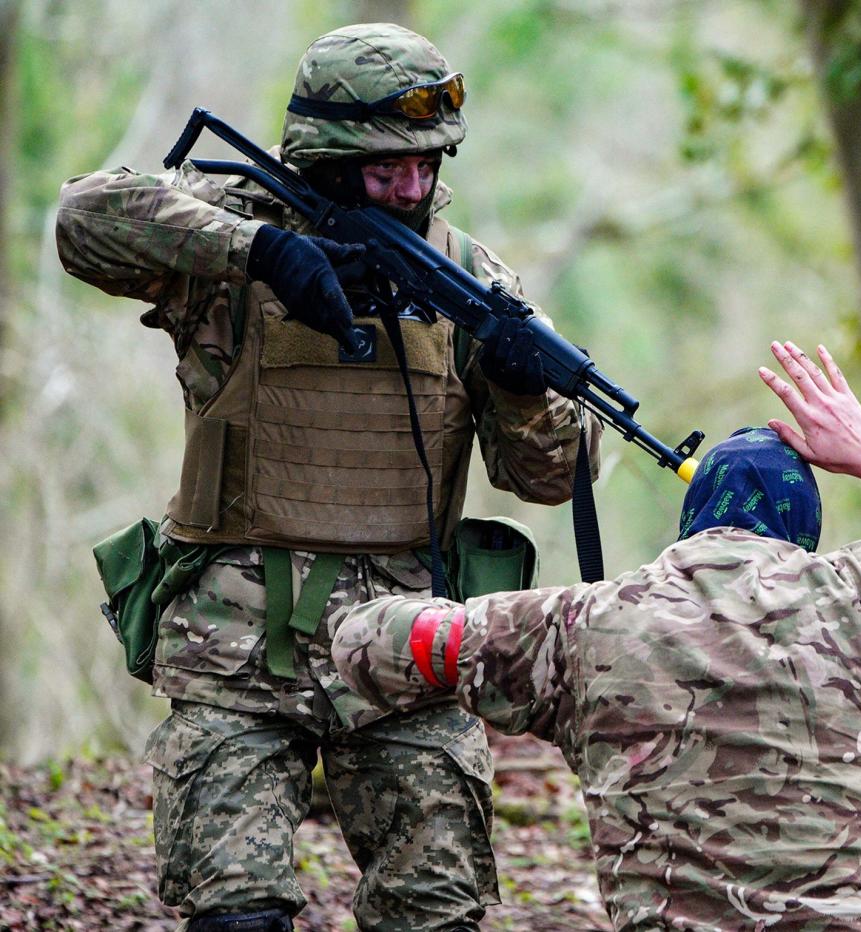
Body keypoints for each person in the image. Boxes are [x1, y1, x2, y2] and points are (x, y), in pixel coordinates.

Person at [57, 22, 599, 932]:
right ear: (324, 160)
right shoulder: (230, 236)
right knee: (237, 915)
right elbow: (83, 217)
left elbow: (546, 478)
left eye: (426, 167)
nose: (411, 188)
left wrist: (517, 382)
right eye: (386, 170)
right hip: (234, 648)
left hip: (405, 652)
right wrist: (260, 252)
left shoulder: (469, 279)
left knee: (436, 913)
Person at [332, 340, 861, 930]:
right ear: (803, 533)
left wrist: (445, 623)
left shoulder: (579, 625)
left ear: (695, 522)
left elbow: (364, 645)